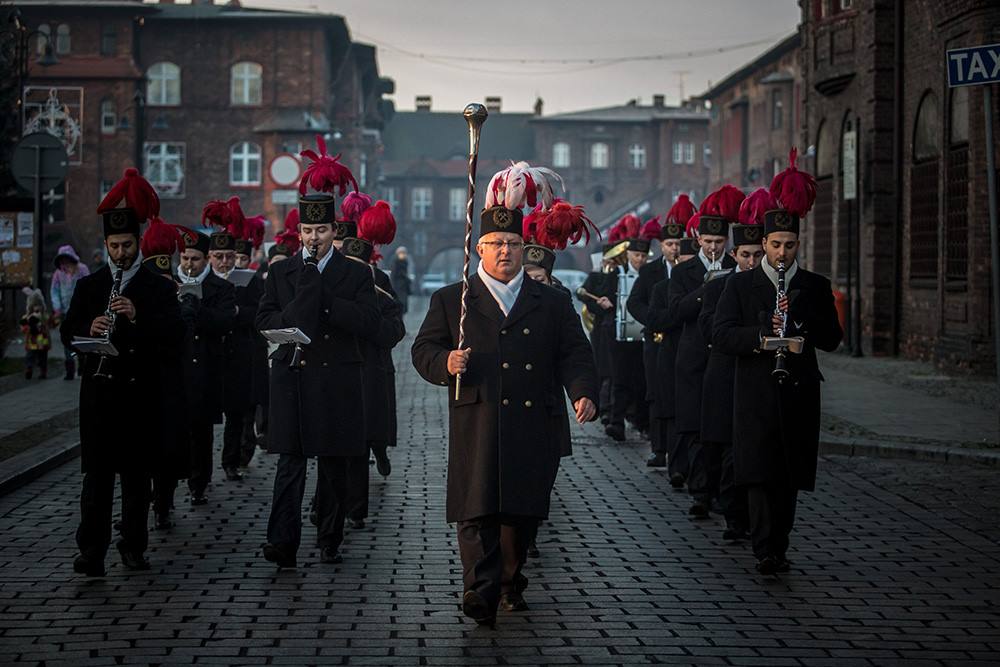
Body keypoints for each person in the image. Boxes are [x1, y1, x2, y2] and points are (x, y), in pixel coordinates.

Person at [411, 161, 598, 626]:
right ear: (479, 249)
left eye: (514, 244)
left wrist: (582, 392)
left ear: (524, 247)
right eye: (495, 244)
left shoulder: (551, 301)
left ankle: (510, 579)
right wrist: (444, 363)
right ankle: (479, 588)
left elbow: (575, 352)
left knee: (519, 513)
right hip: (478, 415)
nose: (505, 252)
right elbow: (424, 348)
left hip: (533, 418)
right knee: (475, 509)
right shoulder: (453, 299)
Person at [713, 149, 842, 575]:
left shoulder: (814, 285)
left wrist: (803, 327)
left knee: (789, 473)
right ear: (763, 244)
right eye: (775, 245)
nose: (782, 252)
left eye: (789, 245)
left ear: (798, 245)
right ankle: (764, 547)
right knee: (758, 470)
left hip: (799, 389)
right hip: (754, 388)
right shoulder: (741, 285)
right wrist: (762, 339)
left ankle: (780, 544)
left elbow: (833, 339)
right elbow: (722, 334)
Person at [257, 138, 379, 568]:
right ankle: (281, 542)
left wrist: (325, 301)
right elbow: (266, 320)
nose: (313, 239)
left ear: (334, 232)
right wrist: (304, 294)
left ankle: (329, 535)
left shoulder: (355, 273)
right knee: (289, 465)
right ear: (299, 234)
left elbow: (368, 322)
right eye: (307, 232)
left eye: (321, 231)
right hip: (291, 377)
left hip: (335, 378)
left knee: (331, 465)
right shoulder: (283, 272)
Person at [61, 168, 184, 576]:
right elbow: (68, 330)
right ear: (106, 245)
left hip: (139, 396)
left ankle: (133, 544)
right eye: (114, 246)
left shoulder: (158, 288)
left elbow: (173, 339)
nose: (120, 254)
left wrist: (138, 316)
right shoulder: (91, 286)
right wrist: (86, 328)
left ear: (139, 244)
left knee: (135, 479)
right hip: (99, 395)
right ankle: (90, 550)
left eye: (127, 245)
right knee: (95, 480)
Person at [698, 190, 769, 542]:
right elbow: (713, 332)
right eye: (746, 255)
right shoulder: (718, 287)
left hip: (761, 381)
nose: (752, 262)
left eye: (758, 255)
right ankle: (732, 516)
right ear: (735, 255)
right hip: (728, 377)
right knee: (726, 452)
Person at [668, 185, 741, 519]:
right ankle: (700, 494)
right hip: (694, 359)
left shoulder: (737, 268)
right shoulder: (683, 272)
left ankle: (723, 493)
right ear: (698, 241)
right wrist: (705, 289)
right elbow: (675, 311)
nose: (714, 248)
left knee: (722, 430)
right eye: (708, 242)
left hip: (723, 360)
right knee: (697, 429)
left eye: (719, 243)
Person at [339, 200, 406, 529]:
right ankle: (327, 506)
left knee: (361, 441)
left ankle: (356, 508)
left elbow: (395, 331)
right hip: (336, 372)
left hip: (369, 371)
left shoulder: (380, 282)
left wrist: (370, 313)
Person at [627, 197, 692, 466]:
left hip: (682, 340)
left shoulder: (689, 270)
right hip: (656, 339)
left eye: (678, 244)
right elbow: (634, 302)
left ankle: (679, 449)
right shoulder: (651, 271)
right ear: (661, 246)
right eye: (669, 244)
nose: (674, 249)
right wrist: (654, 320)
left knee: (679, 394)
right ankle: (658, 447)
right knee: (655, 393)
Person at [176, 226, 236, 506]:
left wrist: (198, 307)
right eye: (185, 259)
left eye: (195, 259)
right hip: (176, 369)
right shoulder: (167, 284)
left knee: (201, 432)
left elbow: (225, 322)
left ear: (205, 260)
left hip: (206, 369)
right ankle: (164, 491)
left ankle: (199, 483)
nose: (189, 264)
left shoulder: (221, 288)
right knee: (174, 431)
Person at [646, 233, 699, 489]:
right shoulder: (662, 288)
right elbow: (656, 319)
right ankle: (677, 467)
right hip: (670, 355)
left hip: (697, 357)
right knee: (673, 415)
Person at [604, 214, 657, 442]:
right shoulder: (616, 273)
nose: (640, 259)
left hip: (643, 336)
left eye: (644, 256)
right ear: (628, 255)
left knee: (642, 381)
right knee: (620, 380)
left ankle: (643, 423)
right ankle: (616, 422)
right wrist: (606, 304)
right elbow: (604, 295)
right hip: (619, 335)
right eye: (636, 255)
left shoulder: (650, 276)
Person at [50, 245, 90, 379]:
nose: (65, 263)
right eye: (62, 261)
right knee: (66, 339)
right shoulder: (58, 274)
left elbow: (89, 287)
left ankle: (82, 363)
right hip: (65, 311)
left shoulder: (82, 270)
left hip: (80, 310)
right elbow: (54, 291)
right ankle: (69, 369)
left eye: (67, 260)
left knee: (79, 337)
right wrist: (57, 307)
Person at [20, 288, 54, 379]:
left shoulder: (44, 316)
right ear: (31, 307)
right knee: (30, 356)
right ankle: (29, 368)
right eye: (35, 305)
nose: (37, 307)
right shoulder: (28, 316)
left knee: (43, 358)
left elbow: (50, 323)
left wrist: (52, 320)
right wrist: (26, 327)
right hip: (32, 341)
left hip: (43, 342)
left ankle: (43, 372)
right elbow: (23, 326)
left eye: (39, 305)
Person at [391, 246, 412, 314]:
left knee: (403, 307)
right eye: (401, 253)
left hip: (403, 288)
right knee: (399, 306)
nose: (402, 255)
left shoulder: (405, 263)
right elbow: (394, 275)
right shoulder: (396, 263)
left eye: (404, 253)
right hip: (397, 287)